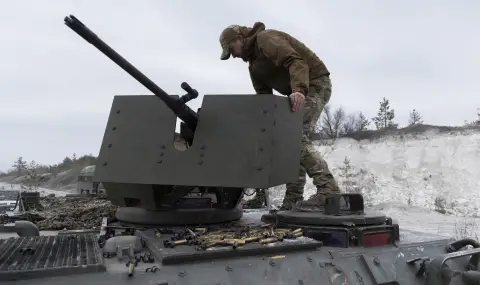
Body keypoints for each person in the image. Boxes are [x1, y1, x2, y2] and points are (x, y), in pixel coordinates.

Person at [219, 22, 340, 211]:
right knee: (287, 140)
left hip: (315, 83)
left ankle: (329, 191)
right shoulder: (254, 67)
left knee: (294, 136)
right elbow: (264, 100)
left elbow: (296, 61)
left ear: (240, 38)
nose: (233, 55)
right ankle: (293, 198)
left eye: (231, 49)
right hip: (297, 91)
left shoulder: (265, 39)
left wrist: (299, 90)